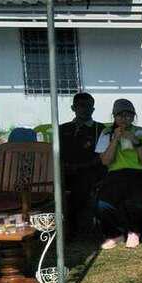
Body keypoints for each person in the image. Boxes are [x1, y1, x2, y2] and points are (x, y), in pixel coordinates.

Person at [95, 98, 142, 250]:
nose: (124, 119)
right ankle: (115, 234)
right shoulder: (106, 133)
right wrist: (115, 139)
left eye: (128, 115)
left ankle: (134, 231)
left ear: (134, 116)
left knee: (135, 201)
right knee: (103, 204)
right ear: (114, 116)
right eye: (120, 115)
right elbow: (105, 161)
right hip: (114, 174)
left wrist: (136, 141)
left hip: (138, 173)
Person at [59, 92, 106, 236]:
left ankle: (73, 228)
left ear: (93, 109)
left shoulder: (100, 129)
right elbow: (56, 153)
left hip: (90, 171)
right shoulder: (63, 128)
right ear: (73, 108)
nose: (85, 109)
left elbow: (102, 156)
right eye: (81, 106)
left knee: (81, 185)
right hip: (64, 171)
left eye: (89, 106)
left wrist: (80, 167)